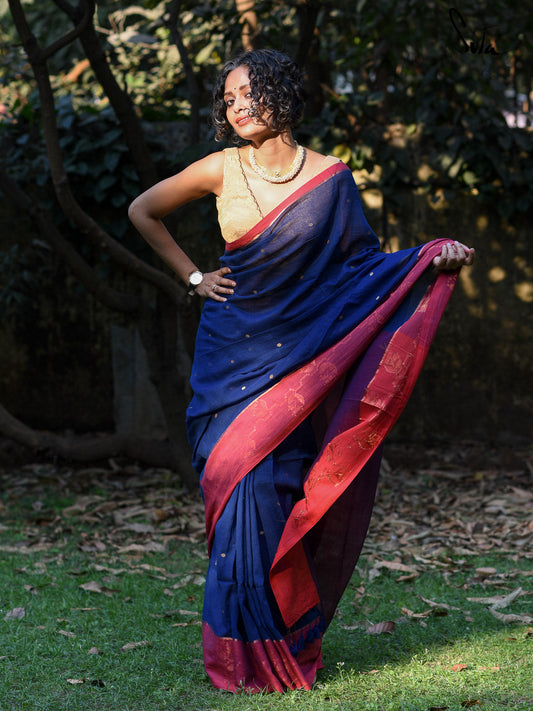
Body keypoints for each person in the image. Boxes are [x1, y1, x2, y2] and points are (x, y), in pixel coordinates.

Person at [129, 48, 475, 694]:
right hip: (230, 360)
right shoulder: (219, 167)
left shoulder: (331, 179)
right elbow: (141, 210)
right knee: (238, 495)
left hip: (297, 367)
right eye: (228, 99)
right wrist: (195, 277)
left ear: (281, 94)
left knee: (276, 496)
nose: (236, 107)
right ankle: (236, 652)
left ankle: (280, 642)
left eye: (248, 93)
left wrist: (429, 259)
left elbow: (360, 272)